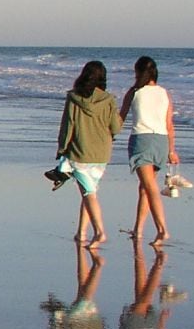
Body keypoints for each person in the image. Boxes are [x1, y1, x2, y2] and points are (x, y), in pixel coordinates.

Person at [54, 61, 123, 248]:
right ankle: (82, 232)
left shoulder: (73, 98)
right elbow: (116, 127)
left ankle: (99, 232)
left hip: (80, 152)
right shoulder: (108, 99)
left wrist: (61, 150)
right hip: (102, 153)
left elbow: (67, 127)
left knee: (88, 193)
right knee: (89, 192)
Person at [119, 56, 179, 246]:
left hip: (142, 140)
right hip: (161, 142)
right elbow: (169, 124)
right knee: (145, 187)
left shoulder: (135, 91)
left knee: (150, 188)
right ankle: (138, 229)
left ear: (138, 72)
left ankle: (162, 230)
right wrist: (172, 150)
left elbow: (120, 118)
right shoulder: (164, 93)